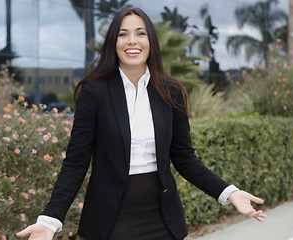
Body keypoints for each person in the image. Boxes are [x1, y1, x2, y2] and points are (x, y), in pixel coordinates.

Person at [17, 7, 267, 240]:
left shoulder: (170, 91)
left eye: (140, 33)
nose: (132, 41)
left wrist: (230, 193)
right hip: (110, 222)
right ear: (113, 43)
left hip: (163, 220)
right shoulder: (95, 91)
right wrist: (50, 220)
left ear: (151, 42)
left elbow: (184, 158)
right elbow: (76, 162)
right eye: (123, 34)